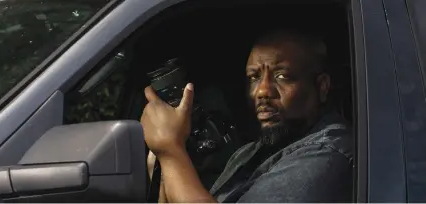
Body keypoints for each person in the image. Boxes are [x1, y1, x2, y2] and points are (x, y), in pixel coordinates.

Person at [142, 30, 353, 203]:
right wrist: (164, 167)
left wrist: (170, 150)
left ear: (322, 87)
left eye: (282, 76)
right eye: (254, 77)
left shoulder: (326, 154)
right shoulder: (256, 150)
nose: (262, 91)